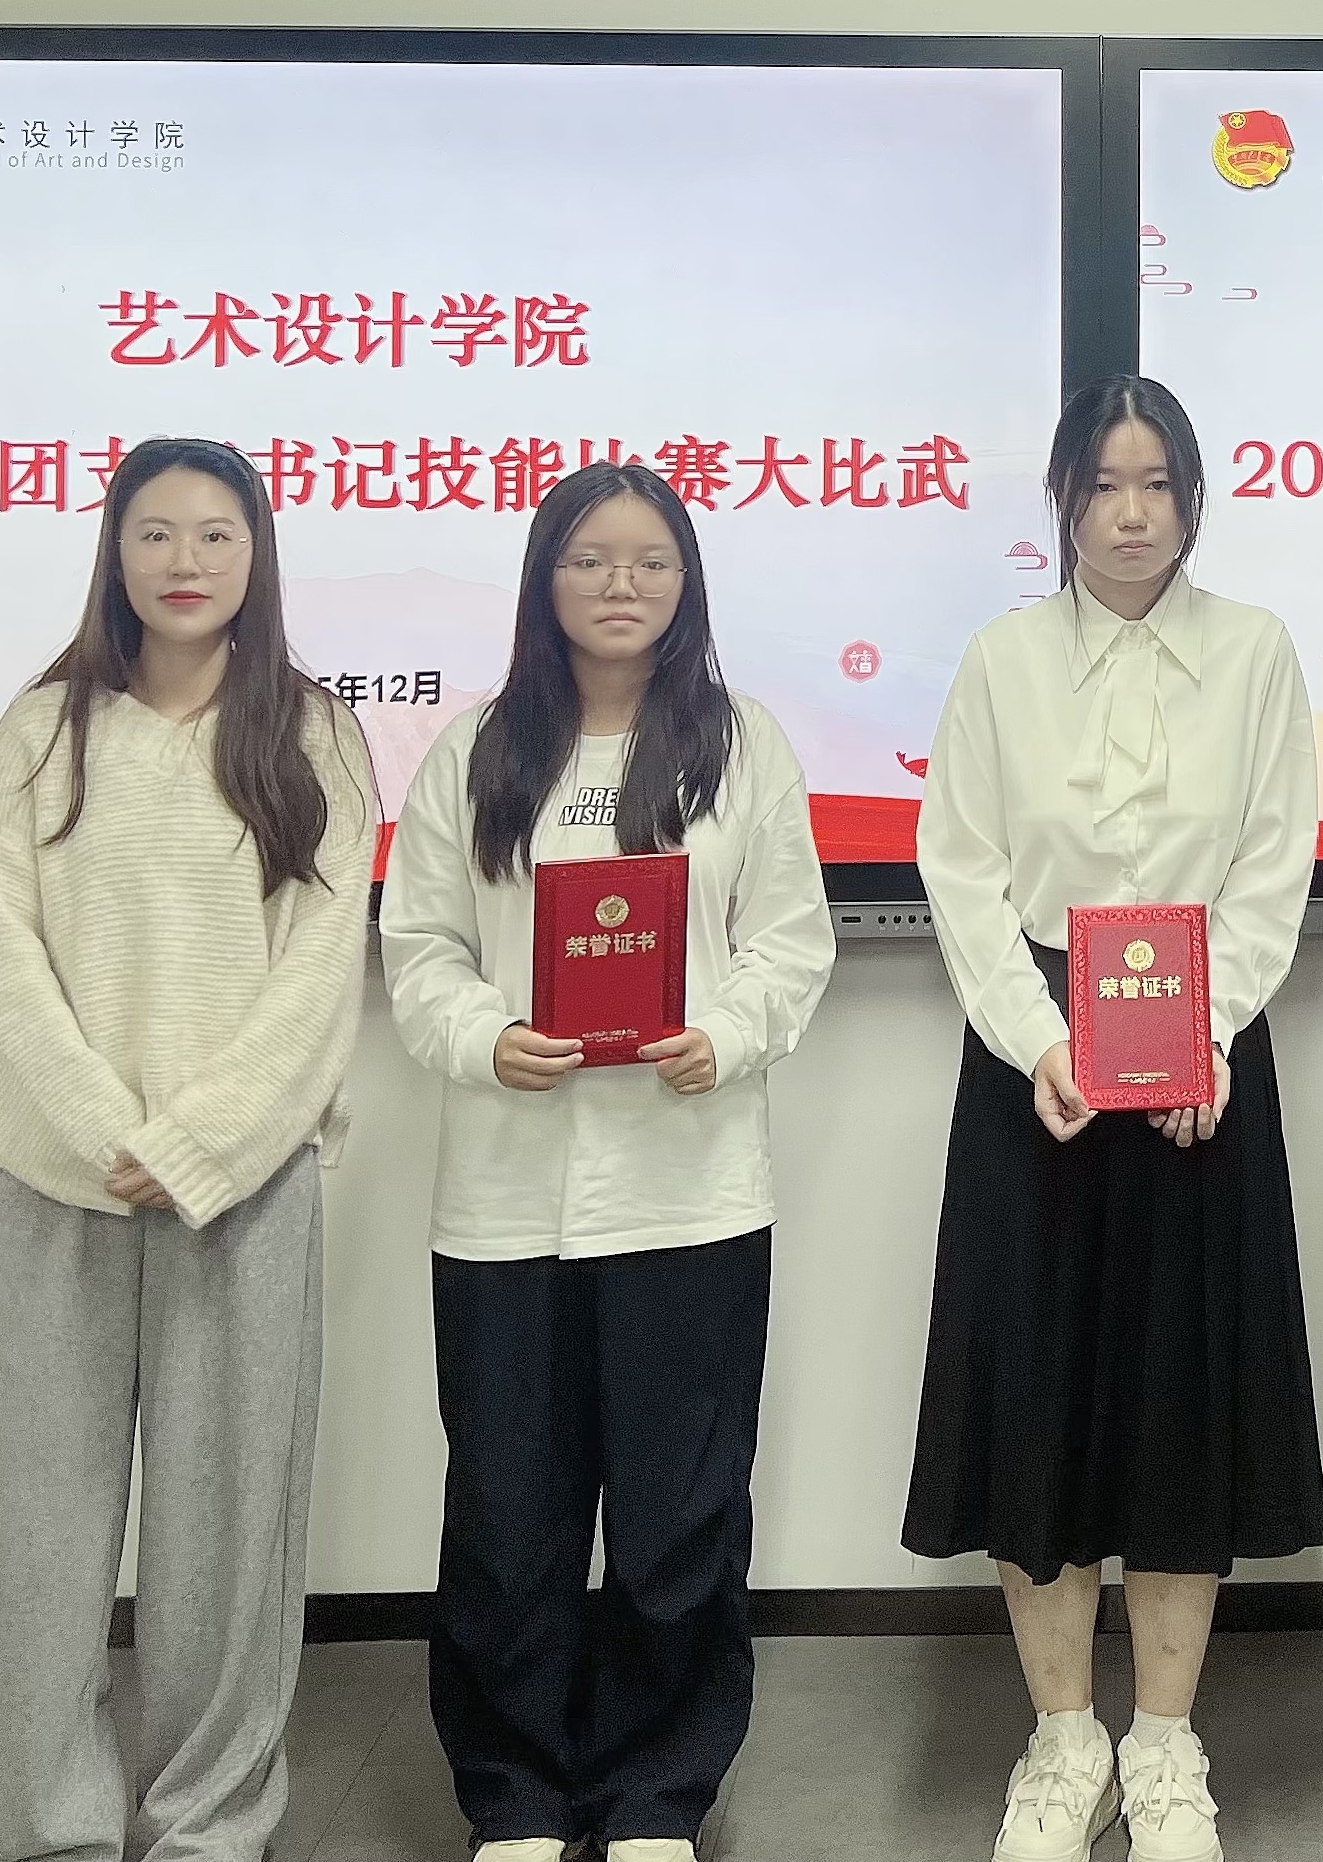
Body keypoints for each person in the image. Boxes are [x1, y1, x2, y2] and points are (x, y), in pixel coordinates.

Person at [380, 460, 834, 1862]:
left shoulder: (741, 747)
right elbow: (420, 949)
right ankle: (516, 1791)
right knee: (504, 1509)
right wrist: (485, 1038)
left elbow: (789, 942)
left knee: (678, 1512)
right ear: (545, 579)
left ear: (687, 580)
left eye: (649, 560)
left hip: (688, 1193)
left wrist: (725, 1034)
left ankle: (655, 1791)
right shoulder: (475, 750)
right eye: (588, 559)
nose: (619, 585)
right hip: (505, 1207)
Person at [903, 374, 1323, 1862]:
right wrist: (1040, 1039)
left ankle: (1163, 1743)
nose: (1131, 513)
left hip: (1203, 1067)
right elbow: (958, 866)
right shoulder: (1003, 658)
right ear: (1064, 503)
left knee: (1181, 1405)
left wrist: (1205, 1034)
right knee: (1040, 1402)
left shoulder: (1255, 650)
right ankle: (1061, 1737)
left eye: (1157, 484)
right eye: (1102, 484)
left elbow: (1274, 860)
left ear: (1192, 499)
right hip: (1037, 1075)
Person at [0, 436, 376, 1862]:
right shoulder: (41, 731)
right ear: (114, 552)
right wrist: (104, 1130)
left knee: (229, 1542)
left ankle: (210, 1824)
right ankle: (54, 1828)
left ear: (257, 555)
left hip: (243, 1198)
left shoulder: (313, 735)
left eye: (215, 534)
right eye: (155, 532)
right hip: (52, 1188)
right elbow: (1, 955)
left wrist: (199, 1144)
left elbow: (320, 973)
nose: (185, 560)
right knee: (35, 1539)